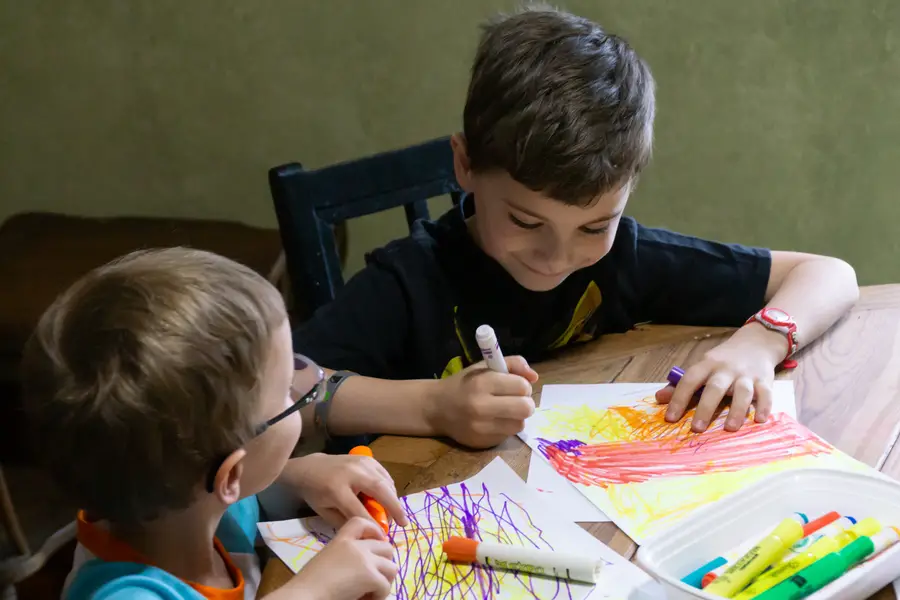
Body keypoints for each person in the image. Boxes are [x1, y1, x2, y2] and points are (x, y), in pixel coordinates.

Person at [292, 7, 859, 450]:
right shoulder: (409, 282)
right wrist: (432, 407)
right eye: (523, 220)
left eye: (594, 226)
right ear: (464, 165)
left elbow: (828, 274)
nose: (555, 256)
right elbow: (279, 391)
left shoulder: (622, 261)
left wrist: (758, 344)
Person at [21, 248, 408, 600]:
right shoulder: (123, 594)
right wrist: (313, 592)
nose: (304, 390)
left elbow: (239, 494)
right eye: (290, 391)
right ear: (230, 475)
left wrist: (296, 478)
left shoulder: (197, 504)